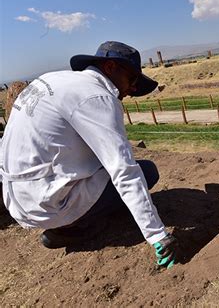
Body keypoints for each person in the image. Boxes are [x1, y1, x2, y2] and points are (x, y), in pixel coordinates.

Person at [0, 41, 177, 269]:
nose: (132, 89)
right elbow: (124, 170)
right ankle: (76, 227)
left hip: (17, 198)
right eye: (132, 79)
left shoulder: (54, 81)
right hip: (47, 203)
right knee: (147, 172)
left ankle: (68, 220)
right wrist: (158, 236)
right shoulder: (97, 97)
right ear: (111, 67)